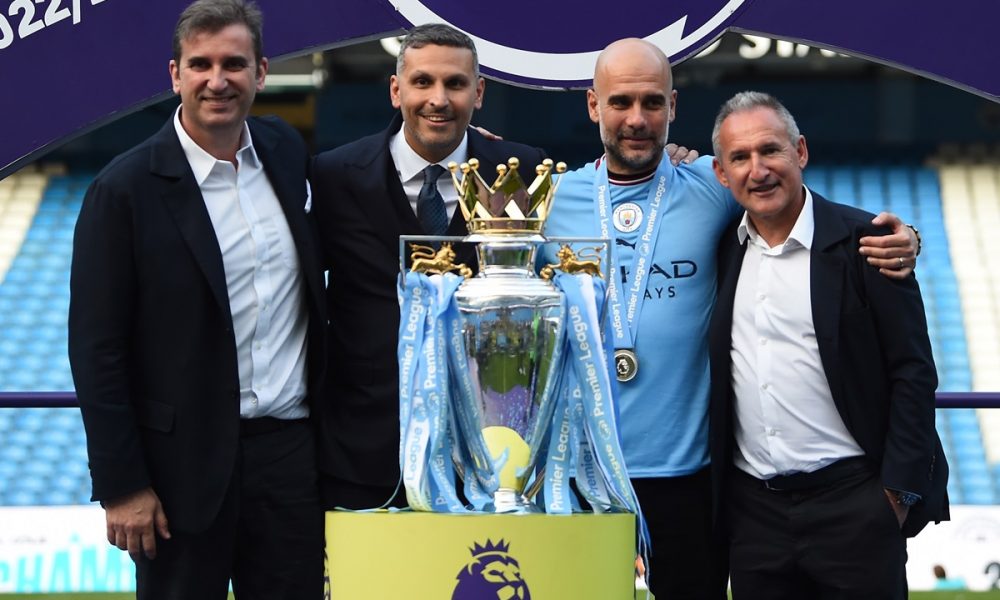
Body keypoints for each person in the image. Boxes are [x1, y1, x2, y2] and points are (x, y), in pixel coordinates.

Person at [541, 38, 920, 598]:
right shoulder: (548, 200)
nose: (637, 119)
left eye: (653, 102)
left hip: (690, 481)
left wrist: (908, 239)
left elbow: (808, 210)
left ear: (673, 106)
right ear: (594, 106)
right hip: (579, 474)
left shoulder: (713, 190)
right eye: (621, 103)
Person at [68, 1, 326, 598]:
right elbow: (96, 350)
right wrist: (122, 485)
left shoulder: (286, 153)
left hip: (289, 460)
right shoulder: (122, 191)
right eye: (201, 64)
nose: (218, 80)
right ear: (174, 74)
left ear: (261, 72)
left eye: (234, 64)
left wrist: (461, 142)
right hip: (177, 474)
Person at [707, 91, 948, 598]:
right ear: (721, 174)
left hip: (856, 505)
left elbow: (914, 371)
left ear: (801, 151)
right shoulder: (720, 247)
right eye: (740, 158)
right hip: (755, 516)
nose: (759, 170)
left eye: (770, 150)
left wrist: (895, 495)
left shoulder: (869, 243)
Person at [309, 24, 548, 510]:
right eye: (422, 82)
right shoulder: (332, 176)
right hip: (364, 453)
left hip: (490, 455)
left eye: (455, 84)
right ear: (396, 91)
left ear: (478, 93)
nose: (438, 99)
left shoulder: (521, 171)